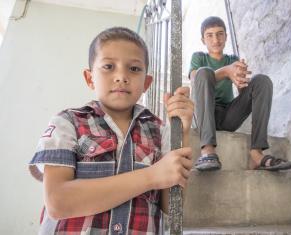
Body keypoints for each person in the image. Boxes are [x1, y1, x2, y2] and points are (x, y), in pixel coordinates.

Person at [29, 27, 194, 234]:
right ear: (90, 78)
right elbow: (58, 202)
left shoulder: (159, 130)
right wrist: (151, 176)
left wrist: (183, 131)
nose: (121, 76)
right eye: (108, 66)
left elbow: (171, 206)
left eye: (134, 69)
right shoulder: (68, 122)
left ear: (146, 83)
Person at [189, 16, 291, 171]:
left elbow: (243, 93)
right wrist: (226, 71)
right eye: (209, 35)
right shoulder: (199, 57)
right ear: (203, 39)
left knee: (262, 81)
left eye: (220, 34)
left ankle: (257, 152)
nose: (215, 39)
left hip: (228, 117)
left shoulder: (233, 59)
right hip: (204, 115)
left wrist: (242, 82)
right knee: (203, 72)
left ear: (226, 36)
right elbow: (195, 80)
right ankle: (207, 150)